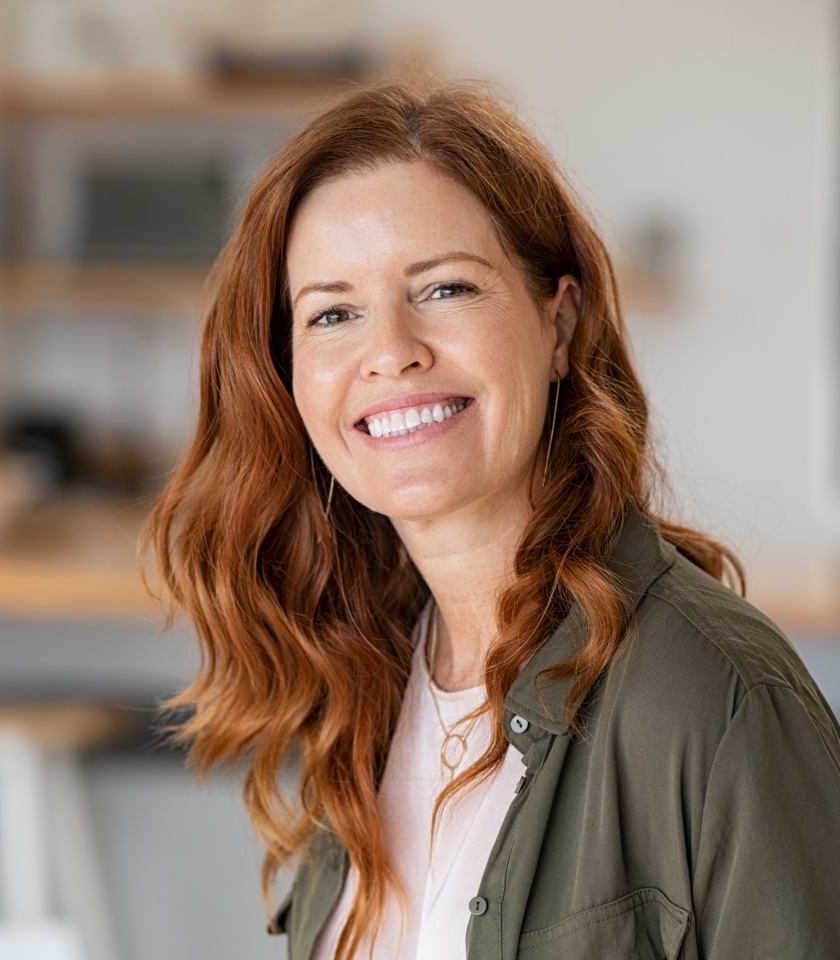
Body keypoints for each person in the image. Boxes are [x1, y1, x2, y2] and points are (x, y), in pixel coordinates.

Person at [148, 80, 840, 960]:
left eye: (444, 290)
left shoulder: (715, 701)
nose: (391, 350)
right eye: (333, 313)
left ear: (560, 323)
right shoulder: (363, 674)